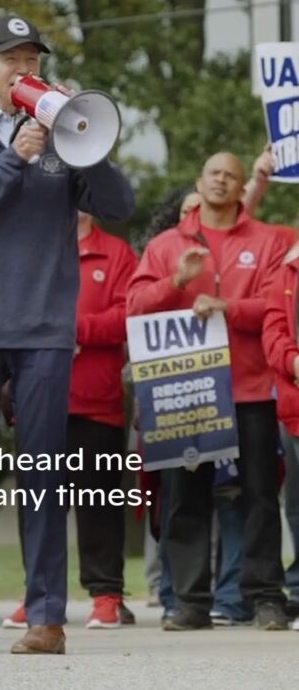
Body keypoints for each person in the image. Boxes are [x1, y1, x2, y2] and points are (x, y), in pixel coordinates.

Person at [0, 14, 134, 654]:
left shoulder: (63, 133)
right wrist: (14, 158)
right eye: (10, 58)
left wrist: (82, 137)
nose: (24, 69)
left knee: (44, 471)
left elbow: (120, 206)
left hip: (44, 328)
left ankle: (47, 616)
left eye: (32, 58)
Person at [127, 151, 289, 630]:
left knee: (260, 495)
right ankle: (190, 602)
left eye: (231, 176)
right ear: (199, 181)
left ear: (243, 188)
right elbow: (134, 306)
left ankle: (265, 598)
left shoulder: (268, 242)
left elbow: (277, 304)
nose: (221, 180)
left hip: (251, 388)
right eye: (214, 172)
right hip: (187, 390)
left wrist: (228, 307)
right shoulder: (164, 245)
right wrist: (175, 280)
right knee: (184, 497)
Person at [4, 212, 139, 629]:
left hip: (96, 401)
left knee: (99, 502)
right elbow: (10, 309)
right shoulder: (28, 248)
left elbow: (129, 316)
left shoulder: (117, 254)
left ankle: (106, 596)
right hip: (38, 399)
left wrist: (74, 330)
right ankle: (38, 594)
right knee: (38, 505)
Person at [262, 239, 299, 630]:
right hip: (295, 407)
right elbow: (272, 331)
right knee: (296, 506)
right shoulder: (286, 272)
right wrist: (294, 361)